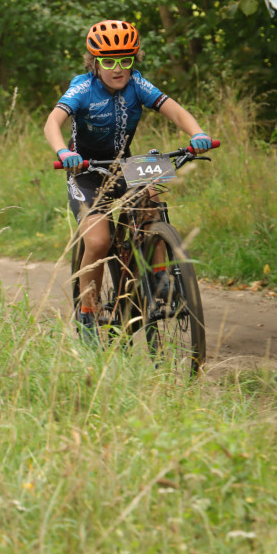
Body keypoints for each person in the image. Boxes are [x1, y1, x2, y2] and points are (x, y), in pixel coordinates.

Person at [44, 19, 213, 343]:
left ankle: (159, 283)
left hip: (125, 163)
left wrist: (198, 133)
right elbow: (53, 121)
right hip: (86, 170)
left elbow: (175, 111)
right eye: (109, 61)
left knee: (154, 200)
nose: (118, 68)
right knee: (97, 242)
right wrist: (64, 151)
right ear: (94, 62)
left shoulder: (137, 83)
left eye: (126, 60)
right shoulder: (82, 87)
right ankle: (88, 313)